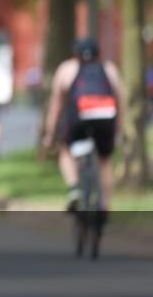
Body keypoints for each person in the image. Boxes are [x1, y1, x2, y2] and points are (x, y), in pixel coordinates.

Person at [42, 38, 125, 217]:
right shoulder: (110, 69)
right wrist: (119, 128)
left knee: (66, 151)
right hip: (106, 116)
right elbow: (121, 100)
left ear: (76, 54)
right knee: (104, 160)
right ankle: (104, 206)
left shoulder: (67, 69)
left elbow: (56, 105)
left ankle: (74, 189)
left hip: (79, 118)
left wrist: (50, 133)